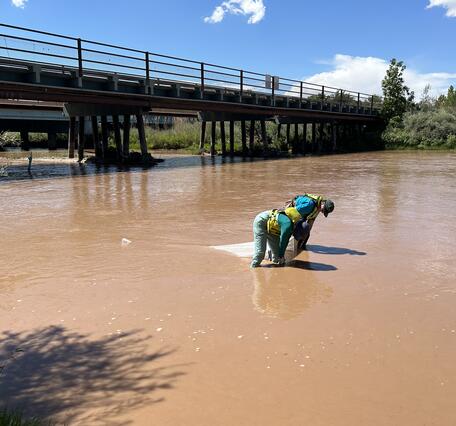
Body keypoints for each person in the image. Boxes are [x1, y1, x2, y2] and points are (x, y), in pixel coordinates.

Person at [250, 194, 334, 268]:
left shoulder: (293, 223)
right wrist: (281, 254)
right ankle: (253, 269)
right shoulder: (288, 225)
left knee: (277, 259)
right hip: (261, 222)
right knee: (260, 254)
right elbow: (283, 241)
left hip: (273, 229)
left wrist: (280, 256)